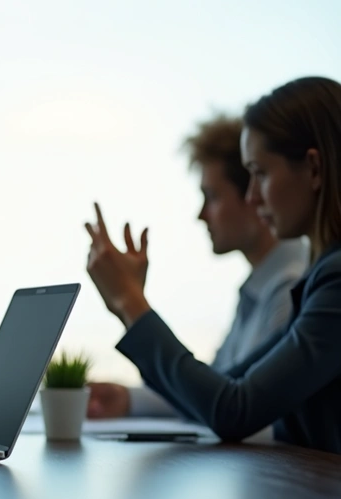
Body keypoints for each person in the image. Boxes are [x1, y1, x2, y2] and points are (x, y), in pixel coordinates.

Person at [84, 76, 341, 454]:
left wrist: (131, 304)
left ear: (314, 170)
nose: (254, 196)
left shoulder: (333, 281)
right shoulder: (319, 278)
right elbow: (224, 386)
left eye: (262, 174)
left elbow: (235, 410)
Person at [87, 116, 308, 419]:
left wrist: (130, 301)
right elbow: (216, 386)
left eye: (213, 196)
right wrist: (128, 399)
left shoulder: (291, 286)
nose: (201, 215)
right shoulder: (263, 285)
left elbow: (237, 410)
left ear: (253, 197)